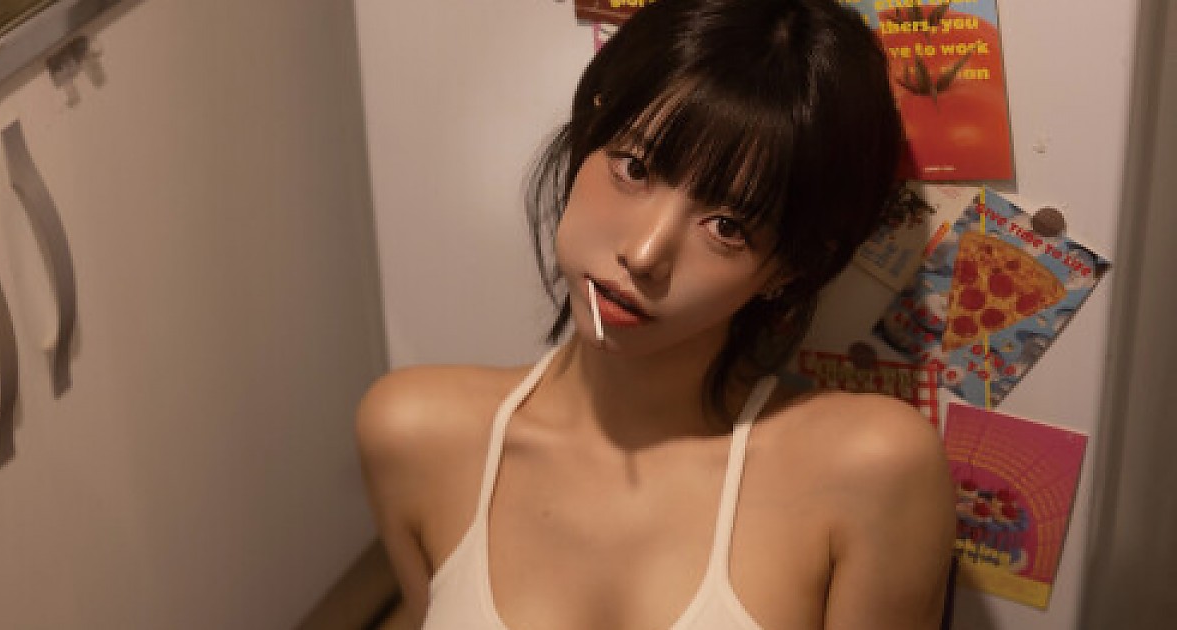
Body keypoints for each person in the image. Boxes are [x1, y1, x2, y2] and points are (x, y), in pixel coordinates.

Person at [356, 1, 956, 628]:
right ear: (589, 134)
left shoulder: (870, 471)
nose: (644, 255)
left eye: (727, 227)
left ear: (789, 269)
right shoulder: (414, 432)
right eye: (635, 168)